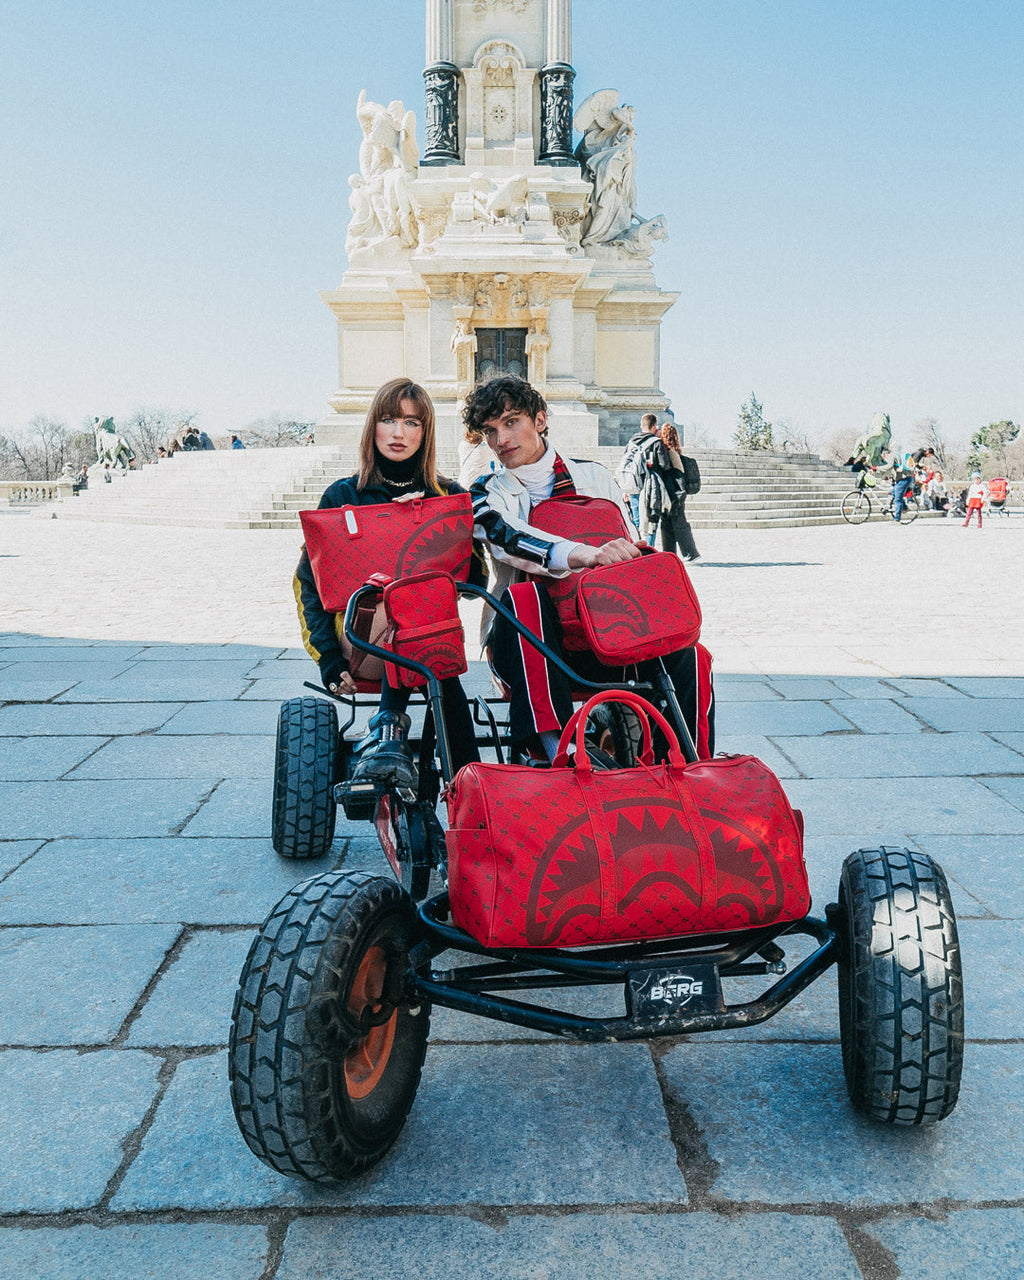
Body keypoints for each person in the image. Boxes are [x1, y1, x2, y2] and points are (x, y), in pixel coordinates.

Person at [464, 375, 714, 763]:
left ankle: (688, 765)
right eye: (490, 431)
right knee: (526, 598)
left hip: (608, 631)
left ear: (540, 420)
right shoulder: (485, 491)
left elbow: (627, 544)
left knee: (691, 652)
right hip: (527, 640)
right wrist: (584, 553)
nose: (501, 440)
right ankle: (554, 753)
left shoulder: (595, 477)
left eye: (511, 422)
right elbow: (510, 539)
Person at [294, 377, 485, 787]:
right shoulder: (343, 495)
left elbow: (475, 581)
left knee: (425, 616)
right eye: (388, 419)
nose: (399, 433)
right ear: (373, 427)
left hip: (431, 647)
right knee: (394, 598)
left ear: (426, 432)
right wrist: (328, 659)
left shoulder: (446, 494)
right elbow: (308, 585)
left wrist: (438, 524)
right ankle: (472, 778)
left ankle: (391, 735)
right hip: (363, 644)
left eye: (412, 423)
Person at [658, 423, 700, 561]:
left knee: (678, 522)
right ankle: (670, 553)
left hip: (675, 494)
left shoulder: (670, 453)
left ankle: (691, 552)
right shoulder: (671, 451)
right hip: (673, 493)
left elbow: (679, 472)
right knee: (667, 523)